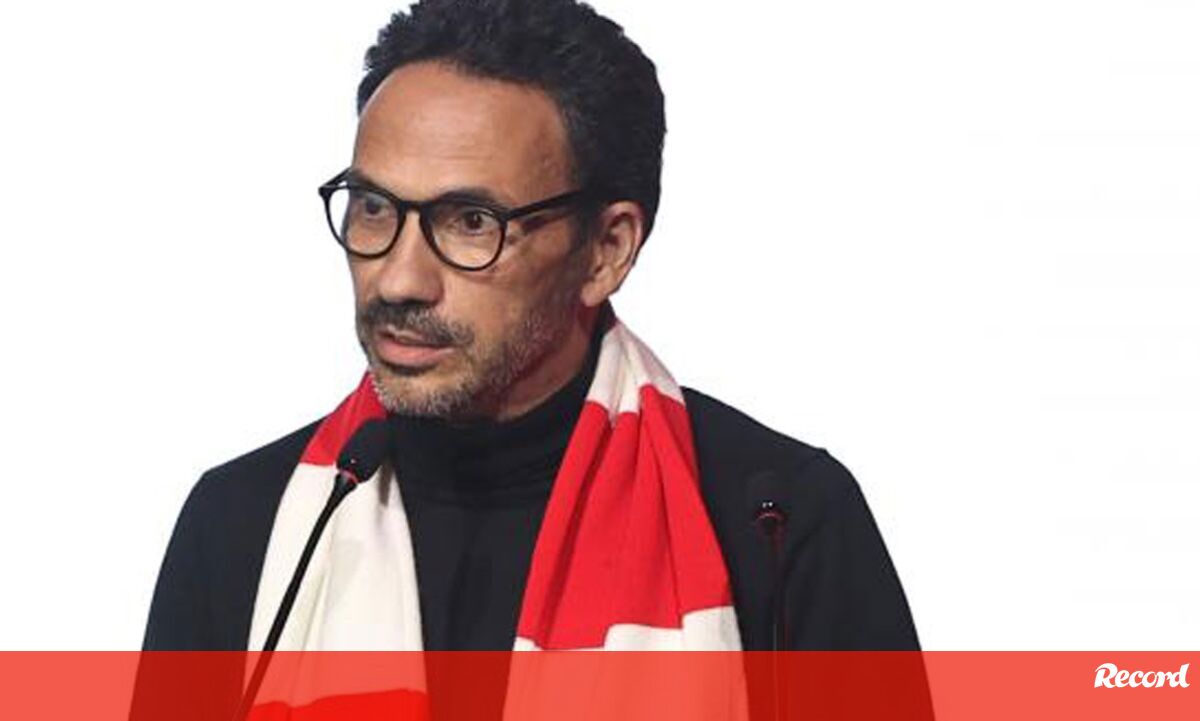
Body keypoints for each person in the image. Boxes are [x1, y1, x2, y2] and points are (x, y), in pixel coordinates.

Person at [142, 0, 918, 665]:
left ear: (606, 250)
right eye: (374, 208)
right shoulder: (244, 524)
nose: (400, 279)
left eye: (471, 221)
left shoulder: (777, 525)